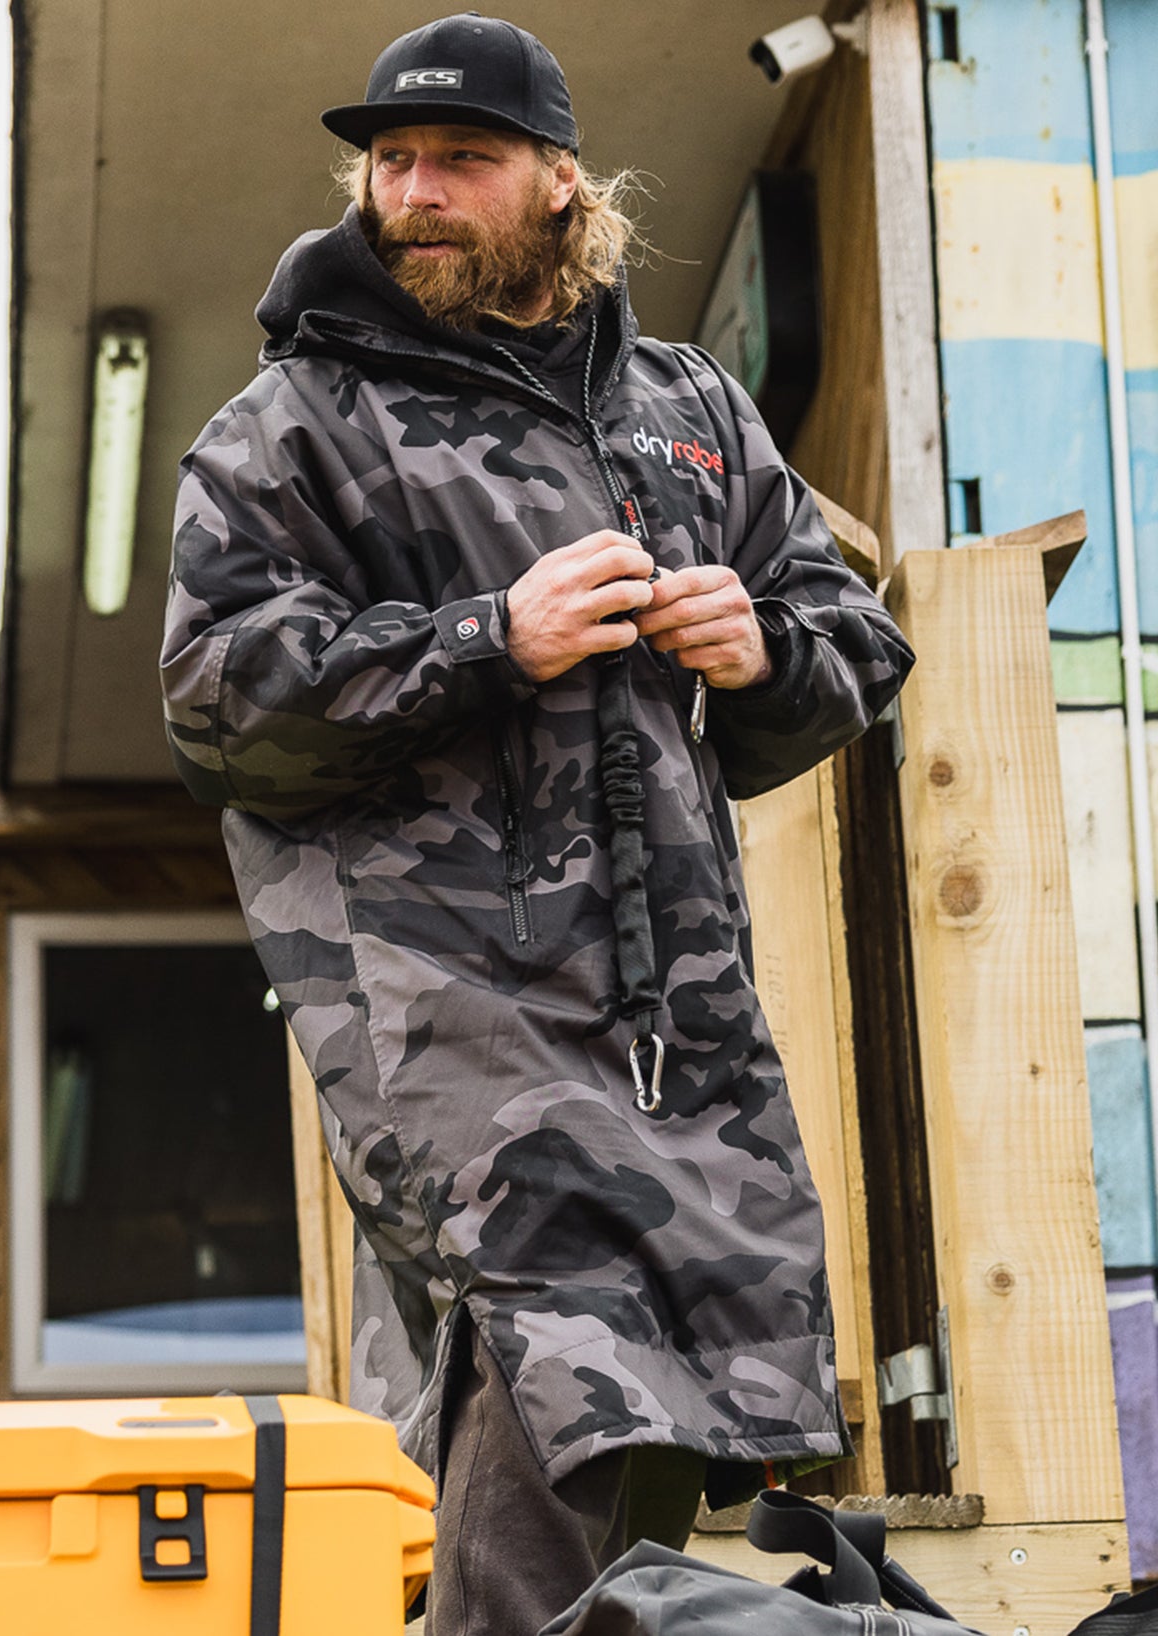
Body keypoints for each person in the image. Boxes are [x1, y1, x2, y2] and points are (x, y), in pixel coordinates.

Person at [161, 14, 914, 1633]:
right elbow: (219, 699)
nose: (416, 191)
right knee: (561, 1335)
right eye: (392, 161)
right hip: (447, 1005)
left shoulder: (685, 406)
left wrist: (764, 647)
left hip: (673, 1010)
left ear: (563, 182)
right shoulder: (297, 428)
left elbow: (855, 637)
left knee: (680, 1372)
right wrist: (487, 635)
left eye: (464, 159)